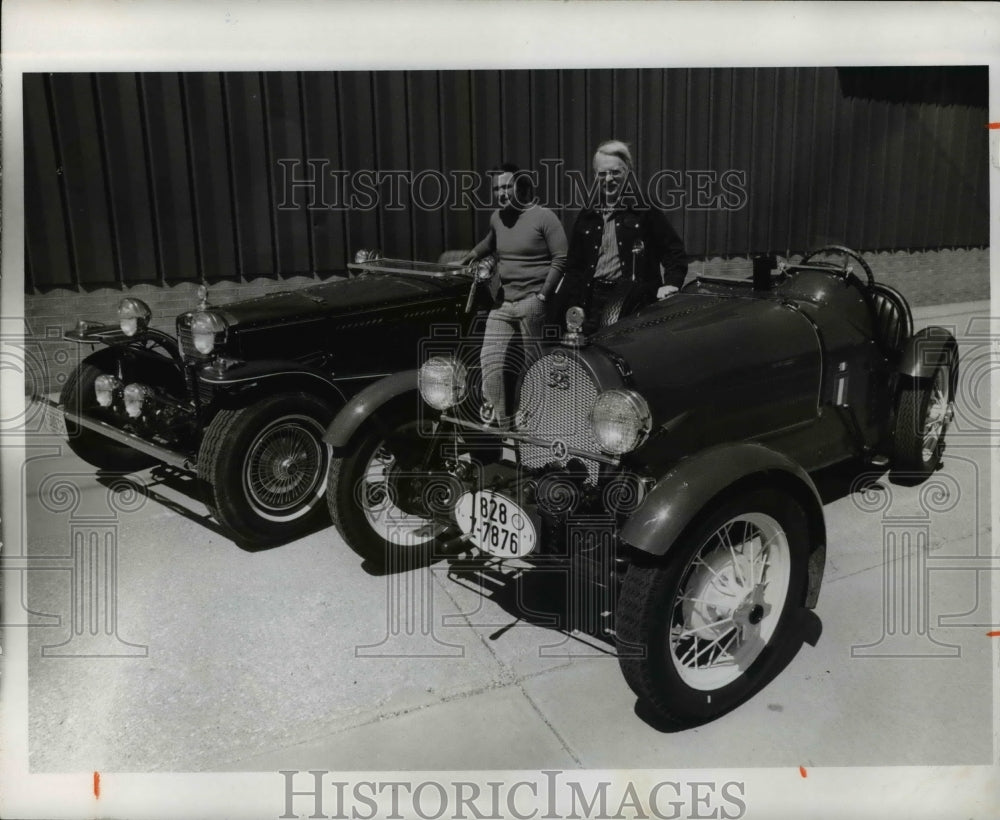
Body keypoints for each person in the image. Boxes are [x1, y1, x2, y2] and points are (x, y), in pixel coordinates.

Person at [461, 163, 568, 428]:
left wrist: (543, 295)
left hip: (532, 302)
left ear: (520, 186)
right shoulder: (498, 217)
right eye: (497, 188)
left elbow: (561, 257)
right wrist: (471, 257)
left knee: (534, 364)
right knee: (490, 360)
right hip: (504, 303)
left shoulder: (544, 217)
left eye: (507, 186)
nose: (502, 193)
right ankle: (503, 422)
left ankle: (538, 419)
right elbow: (490, 242)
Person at [559, 140, 687, 333]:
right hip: (592, 301)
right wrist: (570, 307)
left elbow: (673, 251)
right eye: (602, 173)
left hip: (633, 302)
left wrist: (671, 284)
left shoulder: (643, 208)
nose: (608, 179)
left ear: (628, 172)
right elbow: (574, 267)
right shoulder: (588, 215)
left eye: (615, 172)